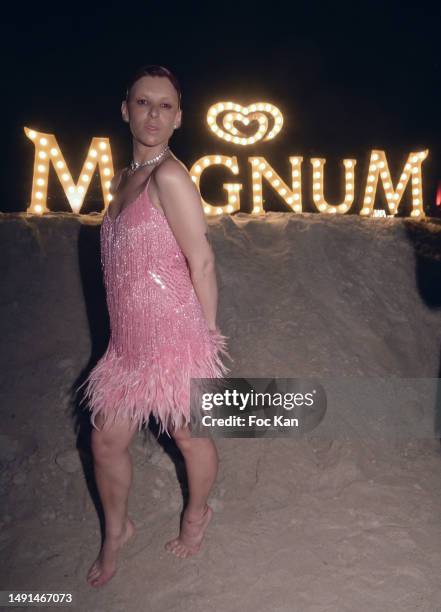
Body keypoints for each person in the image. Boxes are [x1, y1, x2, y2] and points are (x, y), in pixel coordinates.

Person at [76, 65, 232, 588]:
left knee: (189, 436)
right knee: (104, 442)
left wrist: (205, 347)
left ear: (179, 117)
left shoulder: (170, 176)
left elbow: (202, 262)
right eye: (144, 103)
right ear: (126, 109)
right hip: (126, 349)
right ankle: (117, 530)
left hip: (176, 341)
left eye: (165, 106)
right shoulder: (122, 180)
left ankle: (196, 514)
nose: (153, 114)